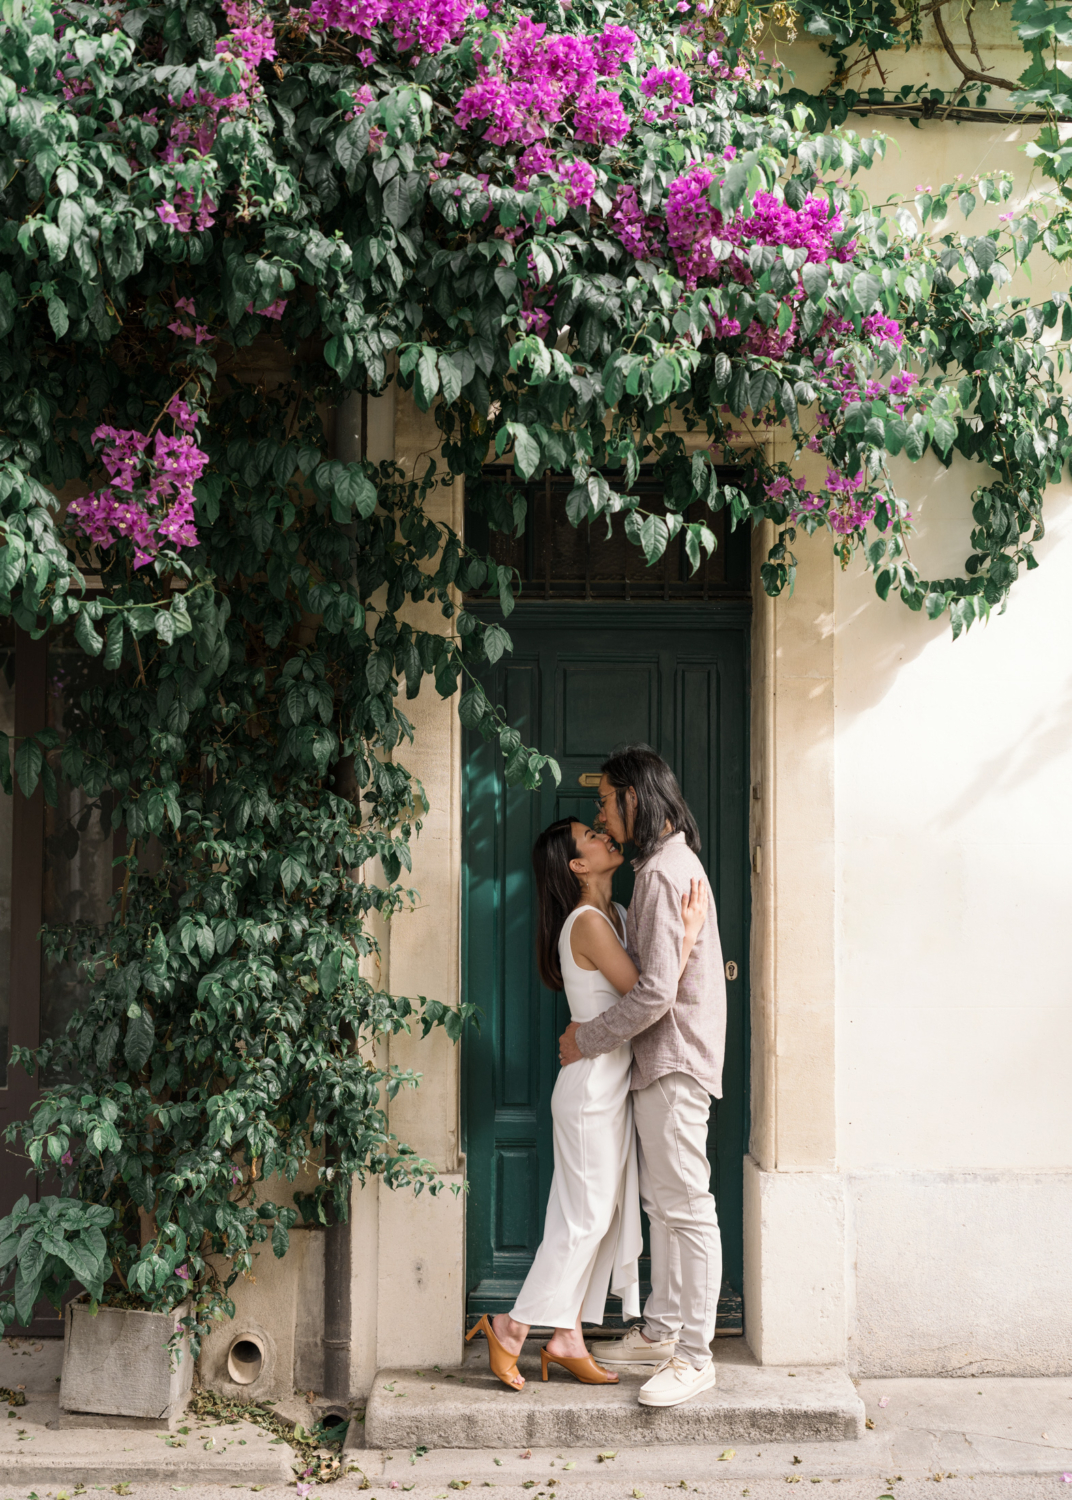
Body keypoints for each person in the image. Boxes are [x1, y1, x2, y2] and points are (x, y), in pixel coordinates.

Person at [466, 816, 707, 1391]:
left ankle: (569, 1336)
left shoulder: (618, 916)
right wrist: (689, 934)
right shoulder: (588, 923)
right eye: (590, 838)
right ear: (578, 866)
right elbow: (650, 992)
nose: (603, 835)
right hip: (590, 1091)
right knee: (585, 1218)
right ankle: (511, 1326)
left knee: (595, 1218)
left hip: (609, 1085)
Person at [557, 745, 726, 1409]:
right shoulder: (661, 869)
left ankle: (696, 1357)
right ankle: (661, 1330)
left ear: (633, 797)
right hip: (666, 1061)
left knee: (687, 1209)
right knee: (665, 1205)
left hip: (674, 1059)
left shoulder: (661, 873)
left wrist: (587, 1040)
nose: (601, 813)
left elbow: (656, 991)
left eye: (605, 801)